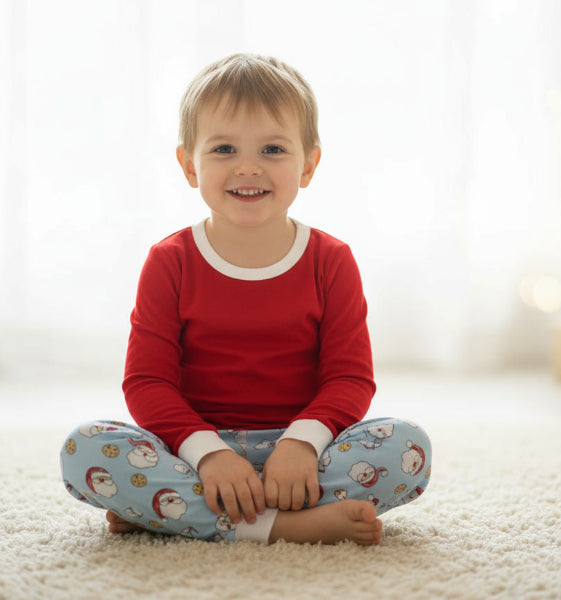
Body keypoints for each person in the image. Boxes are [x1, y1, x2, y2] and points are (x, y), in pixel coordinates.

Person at [59, 53, 431, 545]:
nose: (248, 167)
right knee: (83, 449)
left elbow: (349, 377)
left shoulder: (331, 260)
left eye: (274, 149)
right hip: (194, 452)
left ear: (309, 164)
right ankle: (287, 526)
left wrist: (301, 443)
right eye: (225, 149)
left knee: (408, 447)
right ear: (189, 165)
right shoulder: (169, 261)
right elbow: (148, 381)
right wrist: (209, 454)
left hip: (303, 453)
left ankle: (178, 514)